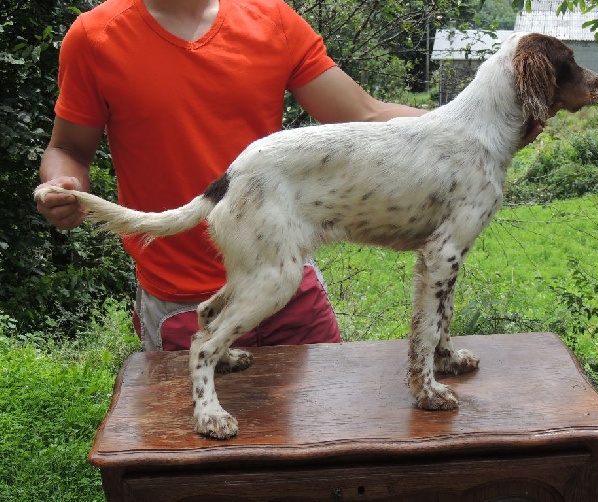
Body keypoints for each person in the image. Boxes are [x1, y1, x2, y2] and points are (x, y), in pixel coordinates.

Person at [36, 0, 546, 352]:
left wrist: (483, 132)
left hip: (291, 286)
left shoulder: (271, 20)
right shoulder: (95, 37)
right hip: (179, 300)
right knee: (199, 468)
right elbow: (67, 148)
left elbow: (365, 115)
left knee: (323, 458)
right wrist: (62, 184)